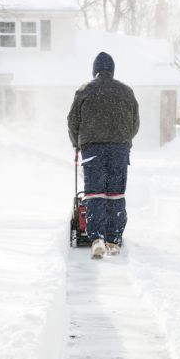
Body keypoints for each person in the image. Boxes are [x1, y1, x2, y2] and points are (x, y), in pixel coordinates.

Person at [67, 52, 140, 259]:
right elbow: (135, 124)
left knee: (94, 193)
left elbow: (73, 122)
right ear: (113, 70)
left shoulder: (84, 90)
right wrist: (124, 140)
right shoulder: (126, 91)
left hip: (92, 150)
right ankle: (113, 240)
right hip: (119, 149)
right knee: (116, 194)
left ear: (95, 70)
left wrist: (77, 145)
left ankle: (96, 238)